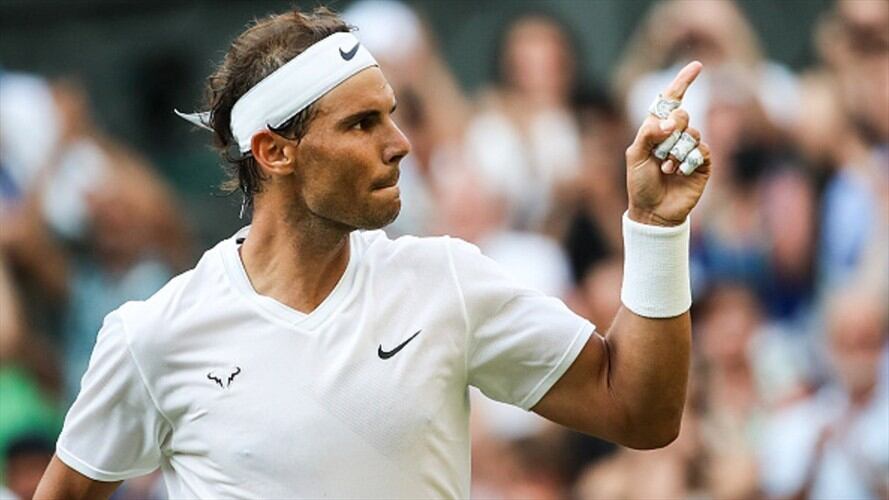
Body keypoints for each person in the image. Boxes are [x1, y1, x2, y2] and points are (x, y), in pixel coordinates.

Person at [35, 7, 712, 498]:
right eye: (362, 123)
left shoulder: (445, 279)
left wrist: (653, 225)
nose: (400, 143)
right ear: (274, 151)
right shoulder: (153, 335)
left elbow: (639, 413)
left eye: (390, 114)